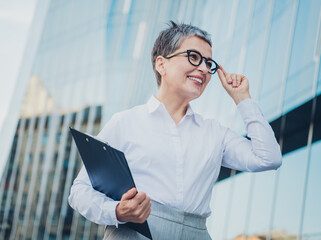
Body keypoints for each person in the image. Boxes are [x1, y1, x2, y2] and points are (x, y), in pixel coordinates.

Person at [68, 21, 282, 240]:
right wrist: (116, 211)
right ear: (162, 65)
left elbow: (269, 159)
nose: (204, 69)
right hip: (135, 232)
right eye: (194, 57)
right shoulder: (126, 122)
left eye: (209, 63)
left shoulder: (215, 133)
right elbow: (79, 191)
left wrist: (242, 99)